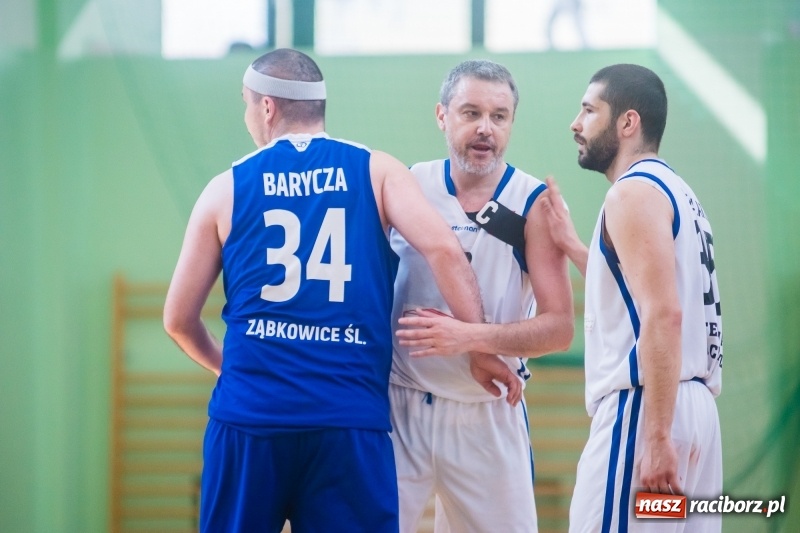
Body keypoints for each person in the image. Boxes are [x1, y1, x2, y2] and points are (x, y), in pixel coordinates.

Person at [162, 48, 522, 533]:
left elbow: (178, 320)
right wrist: (477, 345)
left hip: (251, 417)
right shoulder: (377, 171)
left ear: (266, 107)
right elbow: (445, 250)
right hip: (349, 420)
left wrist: (235, 369)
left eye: (248, 104)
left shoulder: (225, 188)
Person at [389, 59, 575, 532]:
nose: (485, 129)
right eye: (470, 113)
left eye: (499, 116)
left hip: (488, 409)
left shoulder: (533, 204)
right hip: (400, 408)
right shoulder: (407, 184)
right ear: (442, 116)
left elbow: (559, 329)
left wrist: (469, 338)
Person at [541, 64, 723, 532]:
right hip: (695, 412)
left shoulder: (632, 194)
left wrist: (658, 436)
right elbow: (635, 291)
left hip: (646, 411)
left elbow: (663, 315)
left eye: (588, 110)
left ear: (627, 122)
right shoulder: (680, 193)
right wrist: (576, 246)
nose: (575, 123)